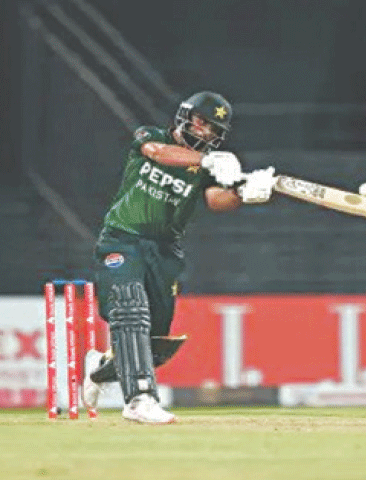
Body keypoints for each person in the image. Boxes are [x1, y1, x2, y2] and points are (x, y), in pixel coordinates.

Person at [83, 91, 277, 424]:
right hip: (123, 239)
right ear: (186, 117)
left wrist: (242, 193)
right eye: (203, 123)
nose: (206, 133)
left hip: (164, 252)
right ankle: (139, 400)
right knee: (130, 308)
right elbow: (155, 153)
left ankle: (99, 371)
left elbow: (216, 200)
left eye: (214, 130)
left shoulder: (204, 168)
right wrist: (204, 160)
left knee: (154, 345)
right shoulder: (152, 136)